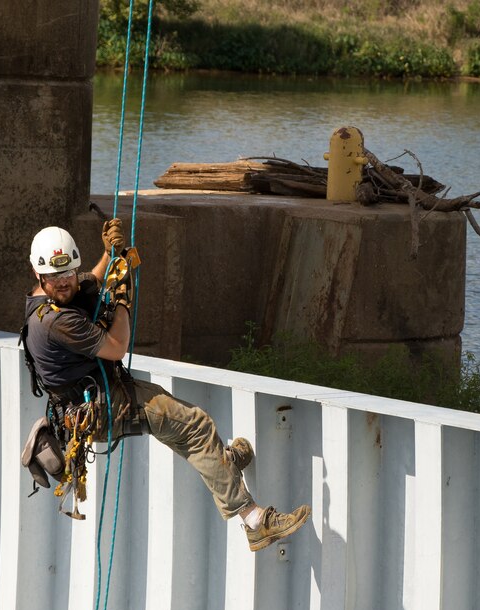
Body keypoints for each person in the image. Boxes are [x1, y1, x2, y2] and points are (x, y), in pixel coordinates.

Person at [20, 219, 310, 552]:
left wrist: (109, 255)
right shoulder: (58, 322)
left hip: (93, 399)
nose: (65, 283)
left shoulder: (45, 299)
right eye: (56, 278)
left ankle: (221, 465)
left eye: (69, 273)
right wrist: (123, 303)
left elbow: (91, 281)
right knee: (194, 427)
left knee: (183, 423)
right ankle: (255, 521)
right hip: (103, 408)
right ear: (38, 273)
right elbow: (116, 346)